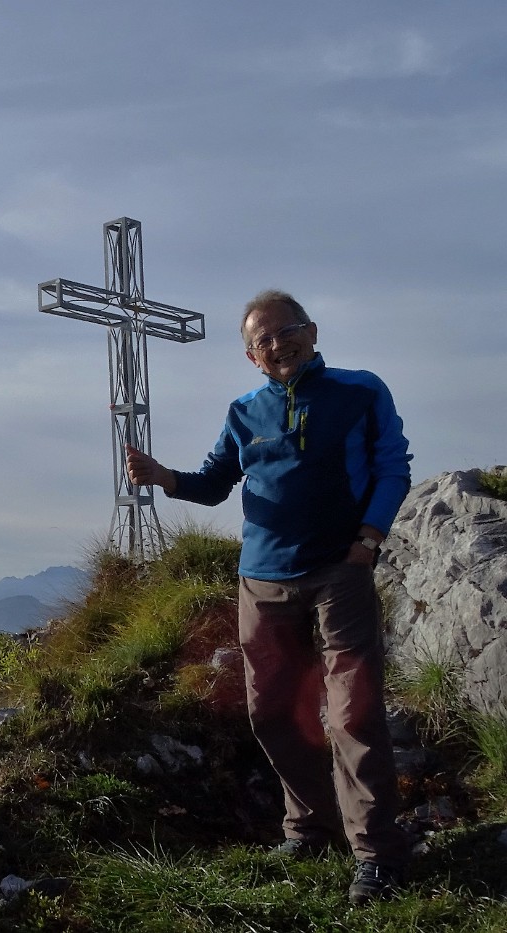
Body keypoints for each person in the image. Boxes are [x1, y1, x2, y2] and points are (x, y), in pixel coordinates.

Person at [124, 289, 411, 905]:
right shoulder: (243, 412)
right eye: (264, 341)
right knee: (273, 711)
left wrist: (369, 536)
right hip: (262, 578)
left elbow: (393, 465)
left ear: (311, 332)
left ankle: (377, 852)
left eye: (287, 332)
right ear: (252, 357)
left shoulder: (361, 391)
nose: (278, 345)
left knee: (354, 711)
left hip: (340, 570)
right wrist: (161, 476)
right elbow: (213, 483)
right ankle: (309, 829)